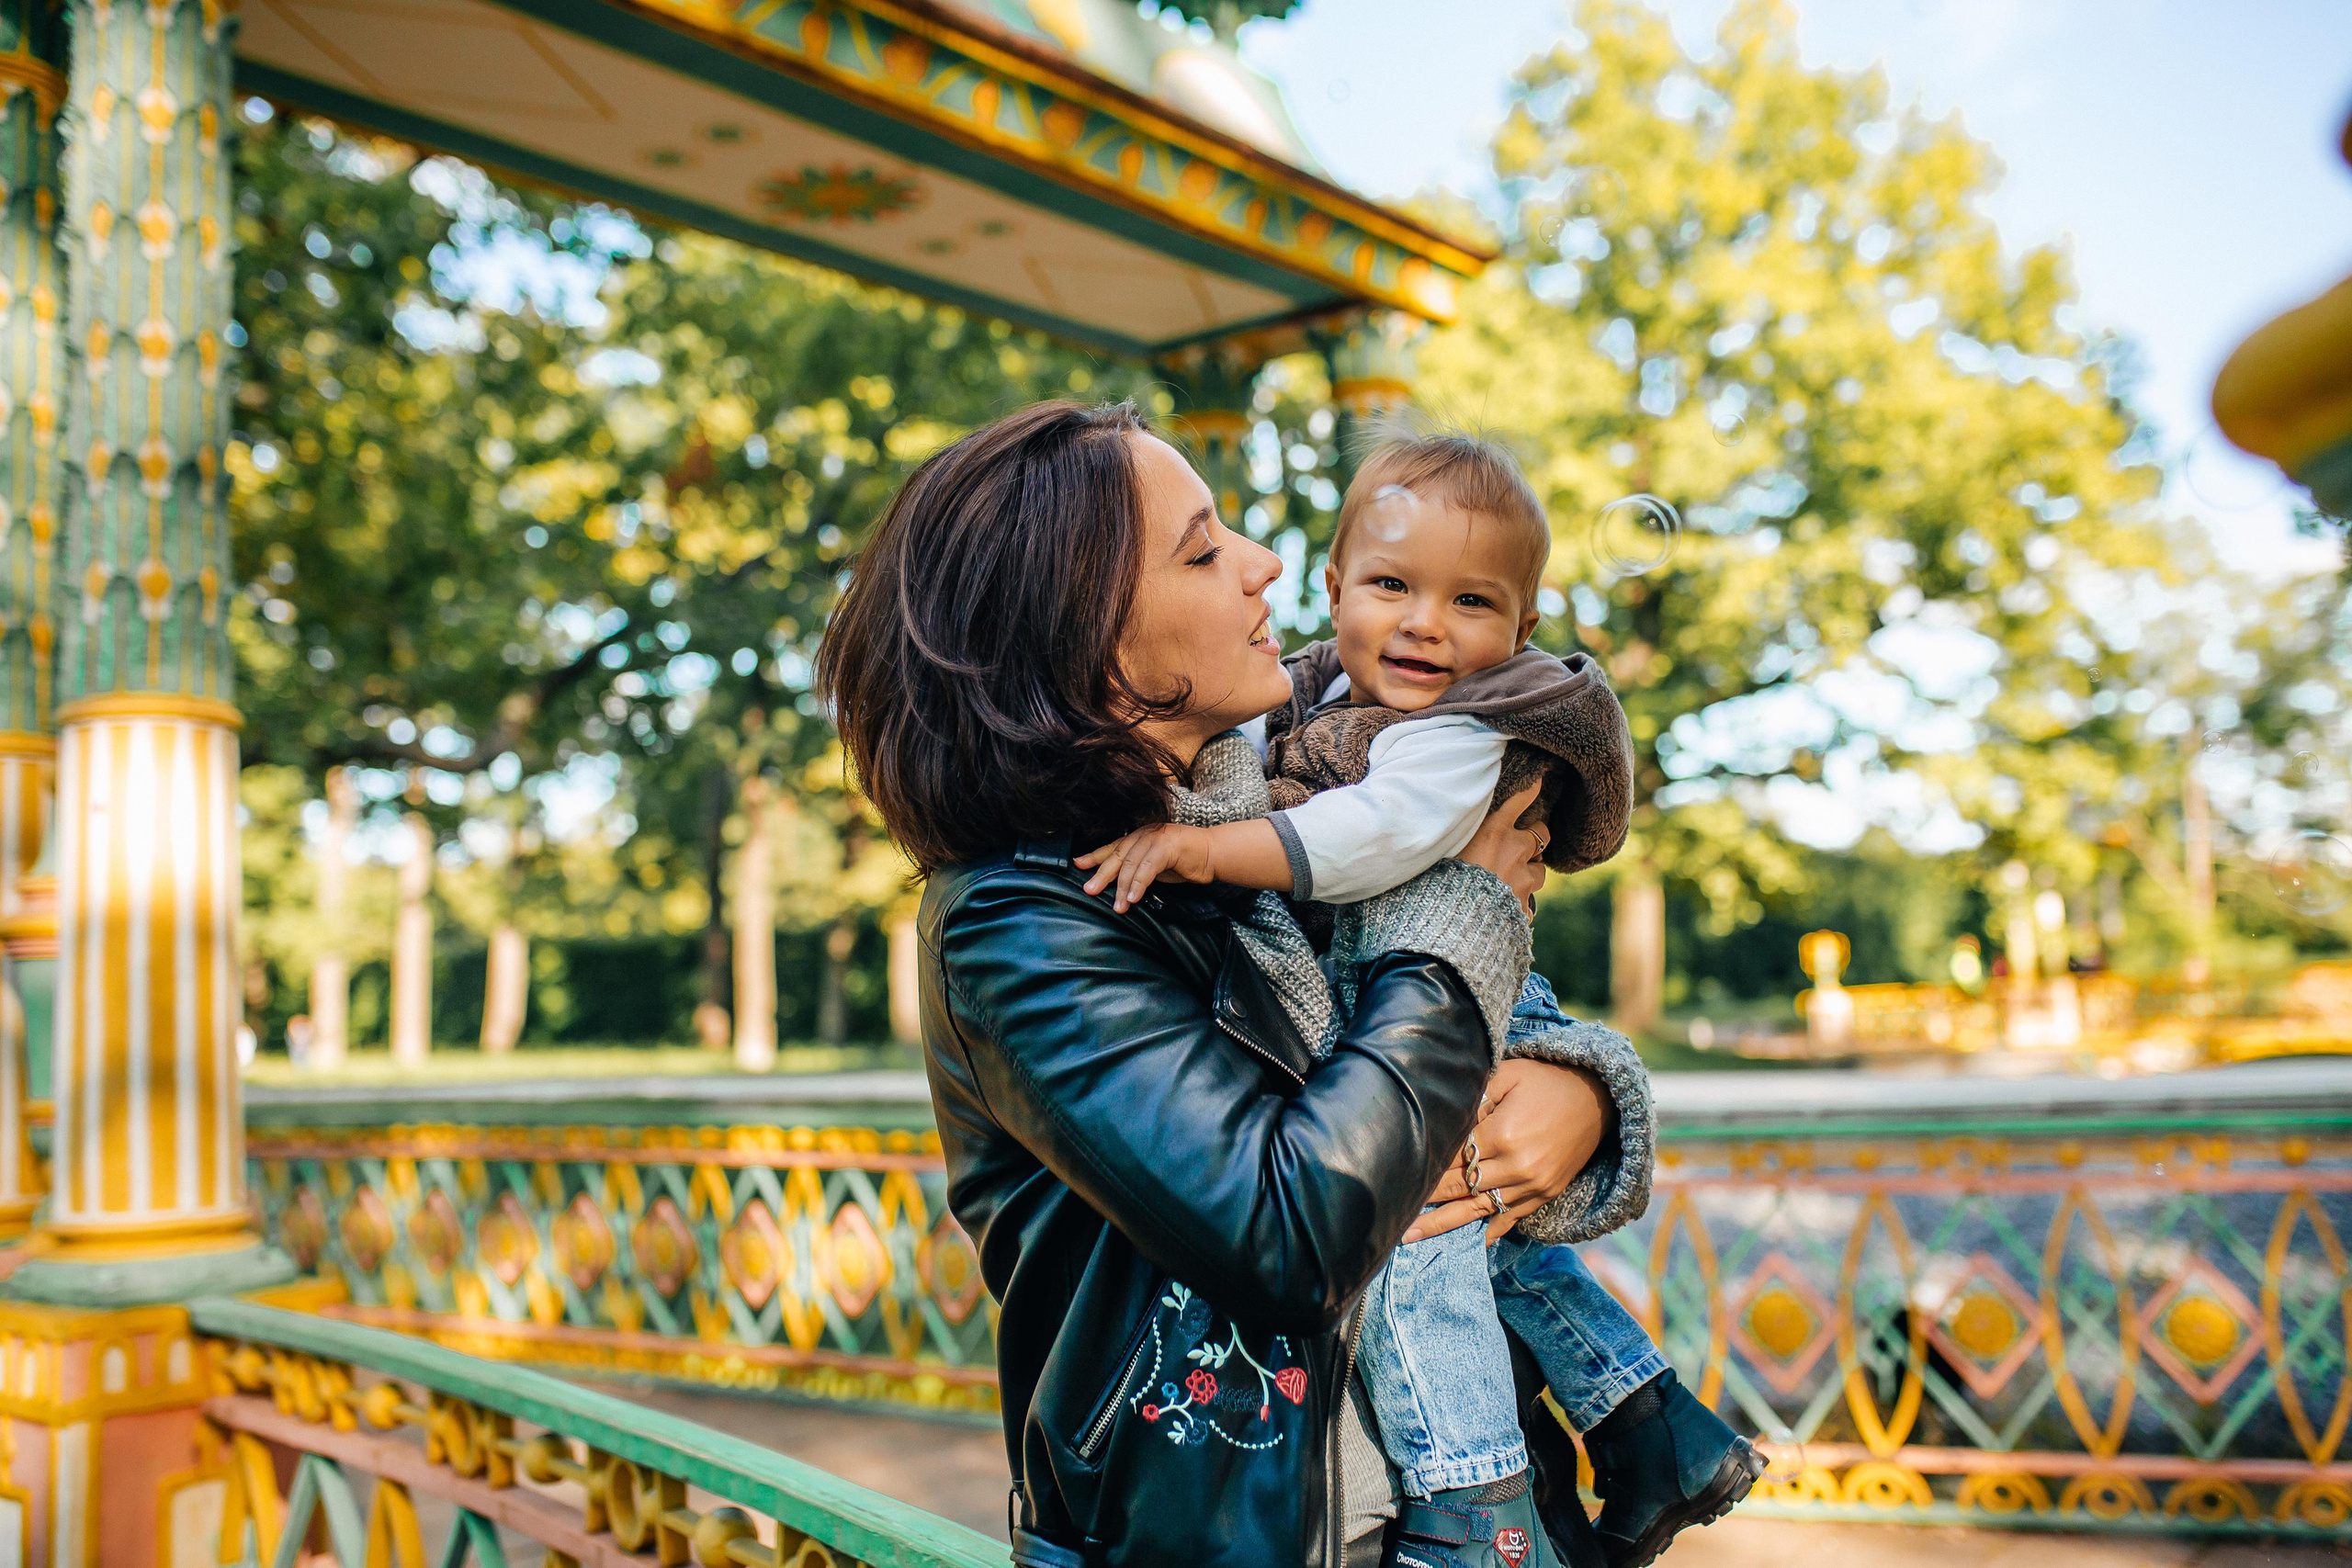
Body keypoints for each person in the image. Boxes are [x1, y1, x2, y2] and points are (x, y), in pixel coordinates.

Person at [818, 401, 1644, 1567]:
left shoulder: (1263, 820)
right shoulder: (1020, 919)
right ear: (1084, 638)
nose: (1264, 565)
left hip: (1461, 1510)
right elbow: (1296, 1228)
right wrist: (1467, 903)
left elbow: (1404, 1068)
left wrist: (1584, 1090)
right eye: (1203, 552)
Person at [1075, 431, 1763, 1568]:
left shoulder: (1455, 730)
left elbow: (1368, 837)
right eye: (1391, 585)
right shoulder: (1295, 702)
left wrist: (1202, 850)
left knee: (1432, 1225)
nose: (1426, 624)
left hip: (1466, 1002)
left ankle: (1476, 1498)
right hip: (1265, 1460)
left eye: (1471, 602)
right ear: (1336, 584)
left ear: (1519, 635)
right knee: (1472, 1225)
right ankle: (1647, 1423)